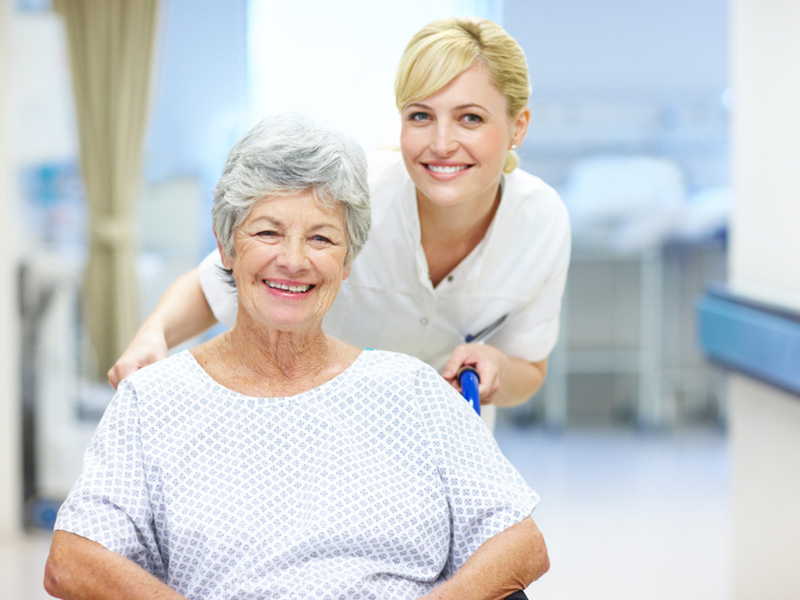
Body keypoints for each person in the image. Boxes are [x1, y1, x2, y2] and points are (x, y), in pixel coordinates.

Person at [44, 116, 549, 600]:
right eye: (267, 232)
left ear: (348, 261)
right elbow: (72, 561)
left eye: (322, 238)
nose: (293, 259)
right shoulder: (153, 401)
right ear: (225, 245)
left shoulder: (411, 390)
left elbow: (521, 543)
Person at [108, 17, 572, 431]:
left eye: (471, 118)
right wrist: (154, 335)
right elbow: (222, 278)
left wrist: (495, 366)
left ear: (518, 126)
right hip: (318, 430)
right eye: (421, 117)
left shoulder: (542, 224)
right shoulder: (350, 192)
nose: (442, 143)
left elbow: (529, 369)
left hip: (439, 441)